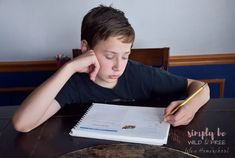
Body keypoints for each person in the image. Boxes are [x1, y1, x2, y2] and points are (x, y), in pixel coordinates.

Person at [12, 5, 210, 132]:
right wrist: (68, 68)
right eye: (109, 56)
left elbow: (201, 87)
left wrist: (190, 107)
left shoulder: (139, 75)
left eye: (125, 56)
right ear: (85, 48)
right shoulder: (73, 83)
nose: (118, 66)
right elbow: (22, 124)